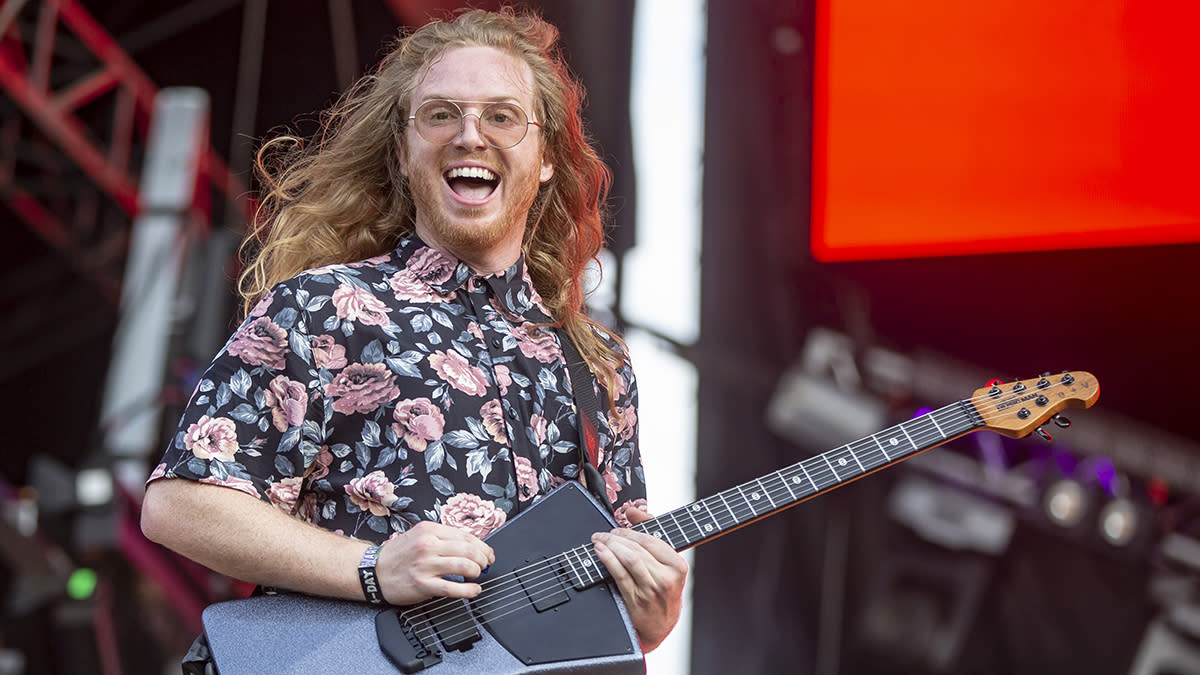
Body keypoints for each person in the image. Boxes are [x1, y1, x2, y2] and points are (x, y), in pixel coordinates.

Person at [139, 4, 687, 660]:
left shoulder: (599, 365)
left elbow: (616, 607)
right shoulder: (325, 307)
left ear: (545, 158)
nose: (470, 134)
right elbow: (180, 504)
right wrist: (372, 567)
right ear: (402, 152)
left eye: (503, 116)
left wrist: (656, 611)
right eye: (440, 114)